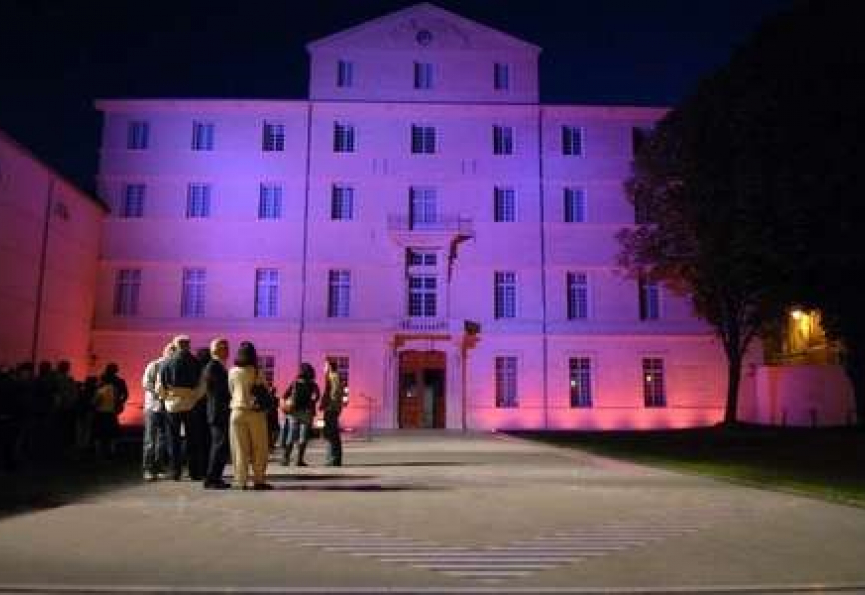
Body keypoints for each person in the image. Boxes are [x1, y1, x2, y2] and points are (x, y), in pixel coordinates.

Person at [159, 335, 204, 480]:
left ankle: (175, 471)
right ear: (188, 345)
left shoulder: (166, 362)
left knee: (173, 439)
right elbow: (202, 385)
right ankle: (194, 471)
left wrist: (166, 397)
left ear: (175, 345)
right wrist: (194, 397)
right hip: (190, 402)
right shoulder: (196, 362)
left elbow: (160, 386)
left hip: (172, 403)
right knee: (192, 439)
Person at [228, 341, 272, 490]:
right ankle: (259, 479)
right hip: (255, 412)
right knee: (259, 448)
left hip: (237, 412)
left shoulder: (232, 371)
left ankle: (240, 480)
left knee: (239, 448)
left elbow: (231, 390)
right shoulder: (257, 371)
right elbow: (265, 390)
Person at [141, 343, 174, 481]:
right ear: (165, 352)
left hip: (166, 407)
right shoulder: (154, 365)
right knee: (150, 440)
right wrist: (160, 394)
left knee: (162, 439)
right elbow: (146, 383)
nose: (172, 355)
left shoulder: (172, 366)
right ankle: (148, 468)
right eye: (171, 352)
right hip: (153, 407)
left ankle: (159, 467)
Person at [202, 338, 231, 489]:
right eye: (224, 347)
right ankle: (212, 478)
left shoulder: (217, 366)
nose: (228, 350)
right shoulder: (213, 367)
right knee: (219, 446)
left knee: (220, 445)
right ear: (216, 350)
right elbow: (220, 392)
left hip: (219, 411)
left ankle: (215, 477)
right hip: (218, 411)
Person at [281, 362, 320, 467]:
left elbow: (284, 395)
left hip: (294, 412)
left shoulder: (294, 383)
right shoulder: (312, 384)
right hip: (306, 413)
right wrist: (312, 402)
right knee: (303, 437)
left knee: (291, 435)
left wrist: (285, 405)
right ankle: (299, 460)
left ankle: (286, 458)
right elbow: (317, 396)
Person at [321, 359, 348, 467]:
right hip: (332, 408)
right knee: (330, 434)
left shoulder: (333, 376)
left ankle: (334, 459)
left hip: (331, 408)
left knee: (332, 434)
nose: (323, 368)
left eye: (325, 366)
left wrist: (329, 405)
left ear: (329, 367)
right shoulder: (331, 377)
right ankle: (331, 458)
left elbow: (335, 393)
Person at [92, 371, 120, 458]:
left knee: (99, 434)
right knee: (111, 435)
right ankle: (112, 452)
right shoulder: (115, 389)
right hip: (111, 413)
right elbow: (117, 401)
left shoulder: (100, 390)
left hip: (101, 414)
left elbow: (94, 402)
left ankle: (98, 453)